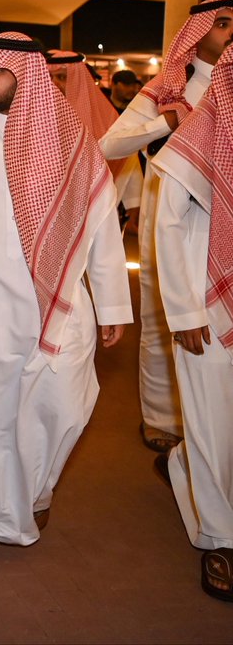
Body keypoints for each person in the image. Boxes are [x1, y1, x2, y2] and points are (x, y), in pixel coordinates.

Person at [0, 34, 131, 579]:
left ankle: (31, 492)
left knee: (58, 409)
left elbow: (100, 227)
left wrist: (113, 305)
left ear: (25, 77)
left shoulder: (68, 140)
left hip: (58, 304)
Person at [99, 0, 233, 454]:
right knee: (162, 314)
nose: (230, 32)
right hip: (171, 208)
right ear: (198, 31)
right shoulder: (169, 87)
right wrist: (165, 123)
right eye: (222, 23)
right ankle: (160, 418)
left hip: (222, 210)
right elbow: (110, 146)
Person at [151, 45, 233, 604]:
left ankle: (182, 465)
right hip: (205, 304)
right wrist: (182, 311)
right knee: (211, 421)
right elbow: (167, 226)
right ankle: (221, 538)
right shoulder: (197, 141)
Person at [48, 50, 143, 229]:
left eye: (61, 77)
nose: (54, 84)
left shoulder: (105, 115)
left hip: (95, 208)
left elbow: (128, 158)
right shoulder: (38, 113)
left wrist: (133, 201)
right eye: (50, 77)